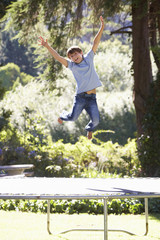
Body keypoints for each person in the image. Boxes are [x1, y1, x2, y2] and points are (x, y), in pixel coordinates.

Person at [38, 16, 104, 139]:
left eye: (76, 54)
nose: (74, 57)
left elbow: (95, 42)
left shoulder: (89, 58)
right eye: (71, 56)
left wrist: (102, 27)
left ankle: (89, 129)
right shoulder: (72, 65)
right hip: (80, 98)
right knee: (73, 118)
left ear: (81, 53)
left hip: (92, 98)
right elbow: (58, 57)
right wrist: (47, 46)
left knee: (96, 121)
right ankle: (62, 116)